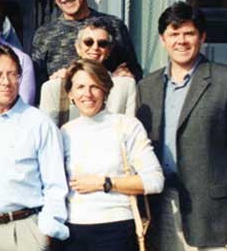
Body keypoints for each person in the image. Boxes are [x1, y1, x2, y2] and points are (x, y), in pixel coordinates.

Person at [137, 2, 227, 251]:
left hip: (213, 212)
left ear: (202, 37)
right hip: (161, 202)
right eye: (174, 34)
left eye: (189, 33)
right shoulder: (147, 86)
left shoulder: (223, 80)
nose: (181, 41)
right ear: (162, 39)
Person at [0, 44, 69, 250]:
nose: (6, 82)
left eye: (13, 74)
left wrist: (45, 233)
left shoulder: (39, 123)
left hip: (24, 231)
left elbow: (55, 183)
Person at [59, 59, 164, 251]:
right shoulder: (64, 132)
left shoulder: (126, 126)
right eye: (80, 87)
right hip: (72, 233)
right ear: (70, 93)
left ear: (105, 90)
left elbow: (155, 181)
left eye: (94, 86)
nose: (87, 94)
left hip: (116, 230)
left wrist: (105, 183)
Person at [31, 0, 142, 85]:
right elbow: (36, 85)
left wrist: (126, 73)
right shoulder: (45, 34)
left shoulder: (114, 25)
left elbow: (135, 72)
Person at [39, 19, 137, 126]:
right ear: (78, 48)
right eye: (88, 42)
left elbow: (130, 129)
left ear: (108, 50)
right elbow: (48, 134)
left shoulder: (124, 85)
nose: (95, 48)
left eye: (102, 43)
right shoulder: (54, 87)